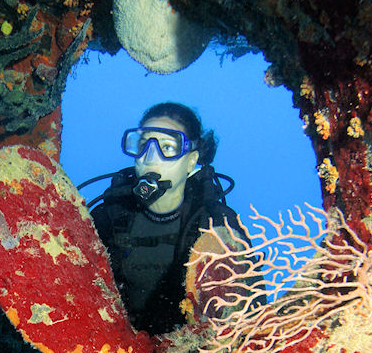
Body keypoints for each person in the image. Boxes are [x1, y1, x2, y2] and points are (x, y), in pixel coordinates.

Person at [89, 102, 257, 335]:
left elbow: (248, 308)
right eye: (143, 144)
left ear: (191, 161)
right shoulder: (107, 217)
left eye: (167, 147)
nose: (150, 158)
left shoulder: (216, 223)